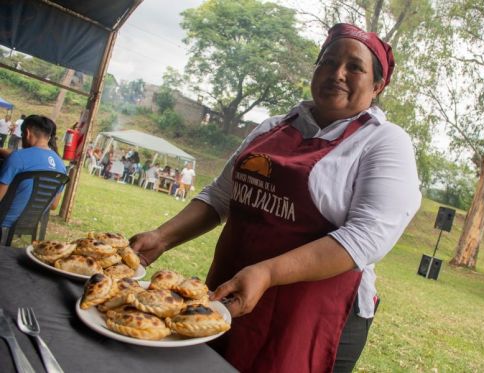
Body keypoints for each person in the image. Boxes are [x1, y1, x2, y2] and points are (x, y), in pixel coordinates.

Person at [130, 23, 421, 372]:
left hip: (313, 312)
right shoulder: (271, 128)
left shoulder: (384, 141)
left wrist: (268, 273)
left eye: (354, 66)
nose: (337, 73)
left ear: (377, 85)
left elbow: (367, 237)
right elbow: (221, 195)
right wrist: (162, 237)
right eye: (327, 62)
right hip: (231, 289)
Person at [0, 115, 66, 228]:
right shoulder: (61, 166)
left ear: (27, 133)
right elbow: (54, 205)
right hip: (29, 225)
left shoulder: (18, 157)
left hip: (4, 221)